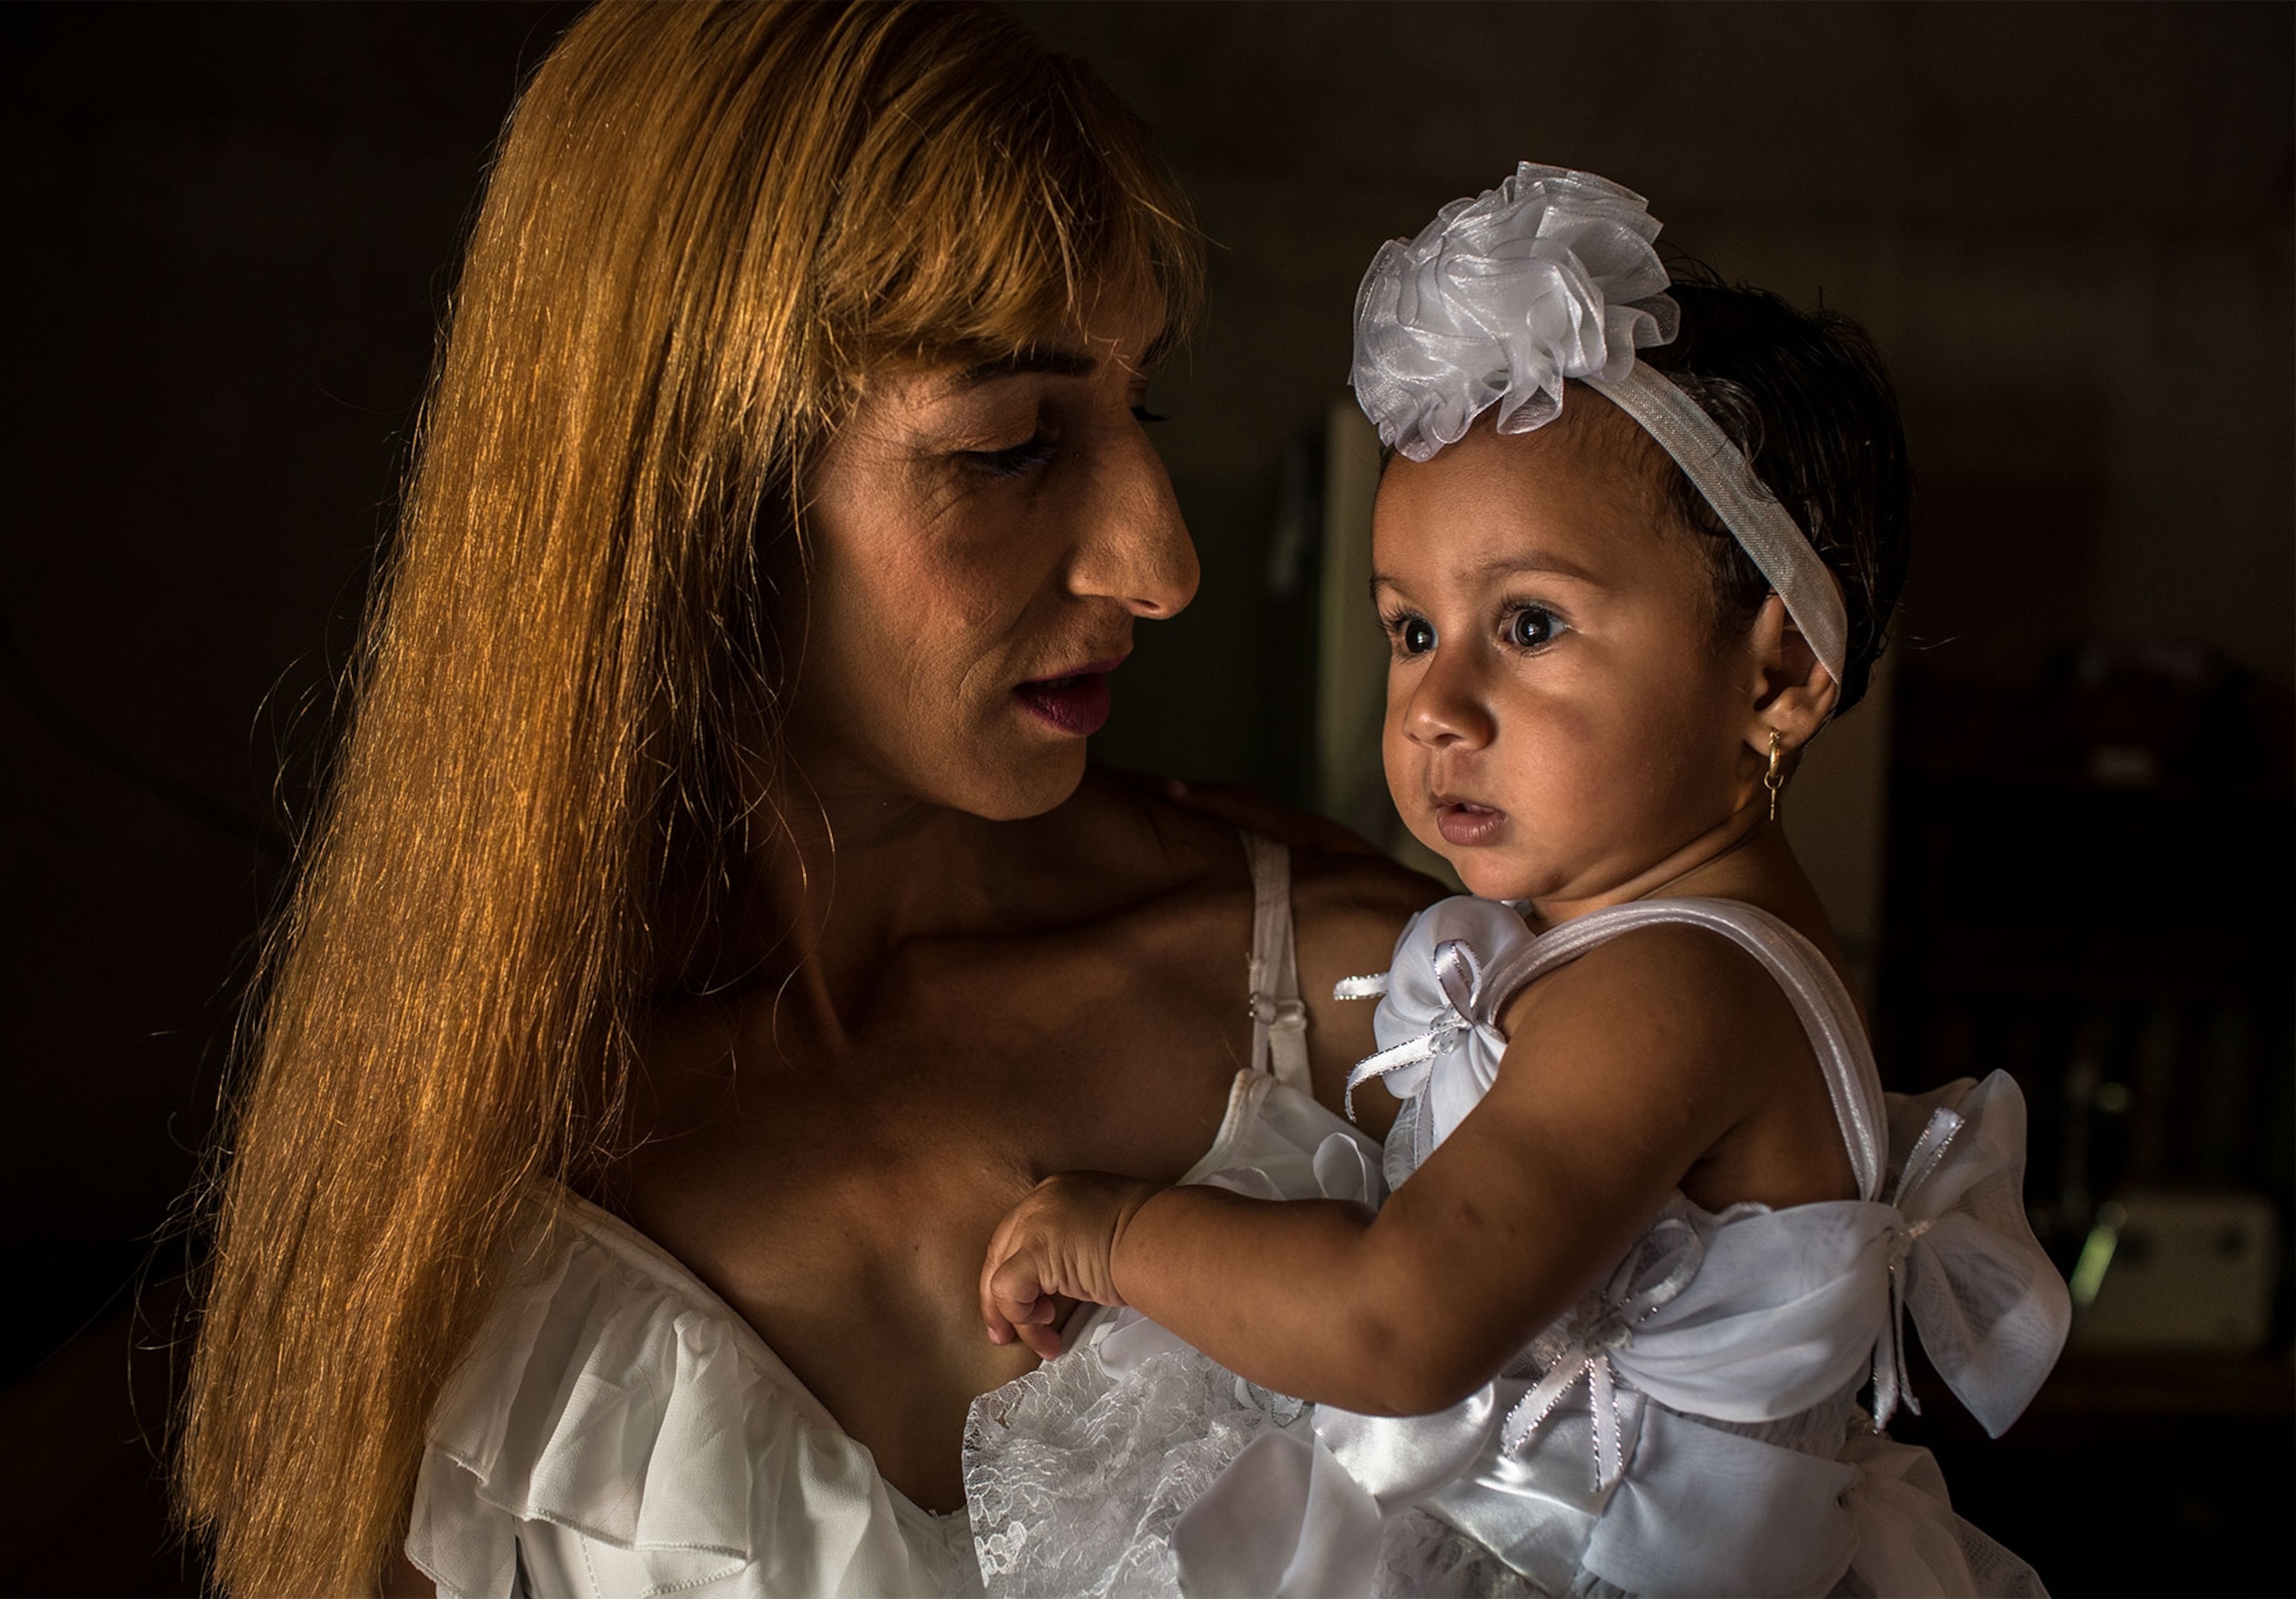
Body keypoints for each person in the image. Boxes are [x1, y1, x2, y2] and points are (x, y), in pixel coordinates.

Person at [172, 5, 1437, 1595]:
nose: (1160, 562)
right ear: (695, 477)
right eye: (1011, 444)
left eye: (1142, 411)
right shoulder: (441, 1182)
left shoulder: (1373, 1004)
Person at [973, 166, 2071, 1597]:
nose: (1439, 705)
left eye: (1532, 624)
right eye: (1412, 630)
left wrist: (1122, 1234)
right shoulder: (1660, 950)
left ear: (1782, 676)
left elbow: (1397, 1326)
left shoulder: (1674, 986)